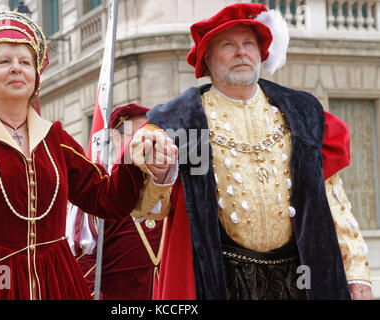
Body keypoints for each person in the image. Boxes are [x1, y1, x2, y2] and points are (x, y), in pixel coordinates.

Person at [129, 3, 373, 300]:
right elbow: (150, 210)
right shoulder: (182, 122)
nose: (241, 52)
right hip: (223, 280)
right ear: (207, 58)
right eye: (228, 45)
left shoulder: (301, 112)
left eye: (248, 44)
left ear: (261, 53)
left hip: (299, 277)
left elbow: (332, 199)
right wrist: (160, 172)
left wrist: (357, 271)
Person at [0, 10, 176, 300]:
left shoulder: (55, 138)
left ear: (36, 75)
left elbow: (106, 199)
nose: (16, 68)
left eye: (25, 62)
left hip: (54, 283)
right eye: (4, 62)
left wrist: (135, 157)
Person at [76, 103, 173, 299]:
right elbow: (84, 257)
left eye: (150, 138)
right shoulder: (101, 188)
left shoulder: (170, 184)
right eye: (136, 137)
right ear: (116, 139)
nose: (144, 145)